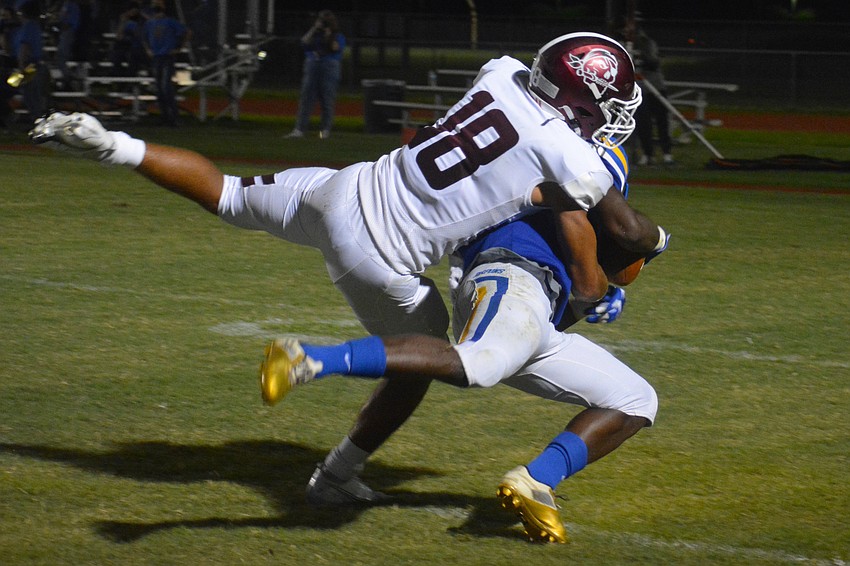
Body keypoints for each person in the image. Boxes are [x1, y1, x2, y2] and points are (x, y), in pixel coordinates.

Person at [31, 30, 669, 512]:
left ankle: (110, 144)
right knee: (418, 361)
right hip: (382, 248)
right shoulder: (571, 154)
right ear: (583, 100)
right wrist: (655, 241)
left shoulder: (501, 72)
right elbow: (626, 230)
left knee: (225, 192)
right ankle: (330, 465)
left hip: (342, 187)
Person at [258, 147, 659, 543]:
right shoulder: (543, 193)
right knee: (480, 364)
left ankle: (535, 481)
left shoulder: (537, 186)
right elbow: (618, 246)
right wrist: (605, 283)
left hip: (528, 306)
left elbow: (569, 295)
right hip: (508, 280)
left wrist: (591, 295)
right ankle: (312, 359)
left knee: (635, 399)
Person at [285, 10, 346, 140]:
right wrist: (314, 29)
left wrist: (329, 35)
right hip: (313, 64)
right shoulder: (314, 34)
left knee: (327, 100)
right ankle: (299, 130)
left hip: (329, 66)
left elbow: (336, 48)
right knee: (306, 99)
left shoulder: (337, 35)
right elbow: (304, 42)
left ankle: (324, 131)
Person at [621, 20, 672, 165]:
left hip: (655, 87)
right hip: (640, 91)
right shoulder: (623, 46)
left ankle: (667, 154)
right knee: (643, 124)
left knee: (662, 122)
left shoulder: (647, 43)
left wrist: (640, 61)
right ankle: (648, 154)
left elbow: (653, 63)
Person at [143, 0, 189, 126]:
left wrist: (178, 48)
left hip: (166, 57)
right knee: (160, 88)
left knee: (165, 87)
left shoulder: (170, 21)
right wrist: (148, 50)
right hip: (157, 57)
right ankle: (166, 116)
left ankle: (173, 117)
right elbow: (144, 38)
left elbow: (186, 33)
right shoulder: (150, 22)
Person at [11, 1, 46, 124]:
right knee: (30, 94)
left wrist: (21, 66)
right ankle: (35, 119)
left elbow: (25, 47)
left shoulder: (28, 26)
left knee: (30, 94)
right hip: (33, 64)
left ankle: (37, 121)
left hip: (29, 65)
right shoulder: (33, 26)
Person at [110, 1, 147, 77]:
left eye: (135, 11)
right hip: (124, 46)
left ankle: (131, 78)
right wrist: (123, 21)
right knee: (117, 55)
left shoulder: (141, 20)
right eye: (132, 11)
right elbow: (119, 37)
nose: (133, 13)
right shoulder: (124, 20)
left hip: (137, 47)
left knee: (135, 57)